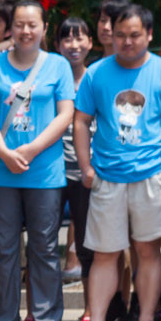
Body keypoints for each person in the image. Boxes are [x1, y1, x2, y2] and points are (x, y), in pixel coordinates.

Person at [70, 4, 161, 321]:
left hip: (151, 174)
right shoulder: (96, 73)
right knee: (105, 253)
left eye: (134, 35)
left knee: (148, 249)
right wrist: (86, 166)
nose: (127, 41)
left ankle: (147, 320)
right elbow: (80, 120)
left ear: (149, 34)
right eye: (119, 35)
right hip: (107, 175)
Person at [0, 0, 76, 321]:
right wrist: (2, 151)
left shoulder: (58, 65)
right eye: (19, 24)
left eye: (33, 25)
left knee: (45, 247)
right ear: (9, 29)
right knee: (3, 247)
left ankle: (47, 320)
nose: (26, 31)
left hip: (44, 171)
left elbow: (65, 114)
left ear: (44, 28)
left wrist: (31, 149)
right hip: (2, 172)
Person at [56, 17, 95, 296]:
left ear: (91, 42)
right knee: (42, 244)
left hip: (87, 173)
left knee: (88, 245)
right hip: (52, 172)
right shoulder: (49, 76)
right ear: (57, 45)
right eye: (67, 39)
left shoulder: (97, 77)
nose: (74, 45)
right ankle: (41, 314)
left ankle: (92, 311)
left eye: (80, 37)